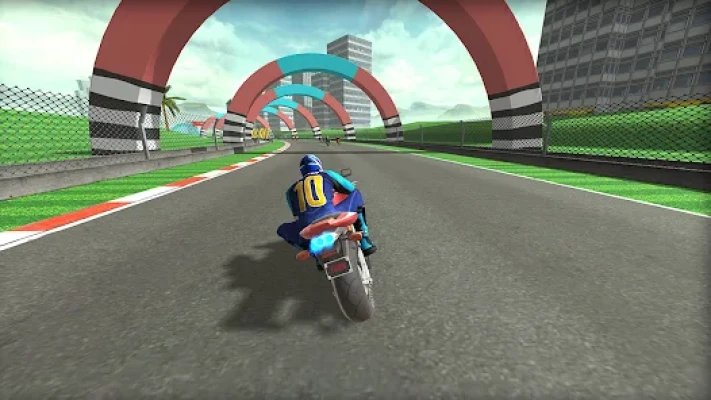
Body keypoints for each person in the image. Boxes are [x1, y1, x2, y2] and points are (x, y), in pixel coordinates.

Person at [277, 154, 377, 265]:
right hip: (330, 216)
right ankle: (364, 239)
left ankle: (313, 253)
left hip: (308, 226)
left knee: (282, 229)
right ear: (318, 166)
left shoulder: (290, 191)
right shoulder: (327, 174)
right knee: (355, 194)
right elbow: (350, 188)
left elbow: (296, 215)